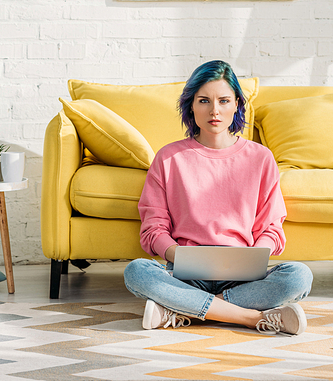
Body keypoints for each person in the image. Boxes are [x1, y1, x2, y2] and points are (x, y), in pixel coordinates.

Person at [123, 60, 313, 335]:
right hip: (186, 274)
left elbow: (272, 227)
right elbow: (153, 229)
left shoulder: (261, 158)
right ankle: (250, 317)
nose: (214, 110)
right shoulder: (169, 157)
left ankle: (178, 310)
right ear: (190, 105)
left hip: (242, 275)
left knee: (299, 277)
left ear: (237, 104)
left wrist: (254, 257)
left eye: (224, 100)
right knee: (137, 271)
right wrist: (179, 254)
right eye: (204, 101)